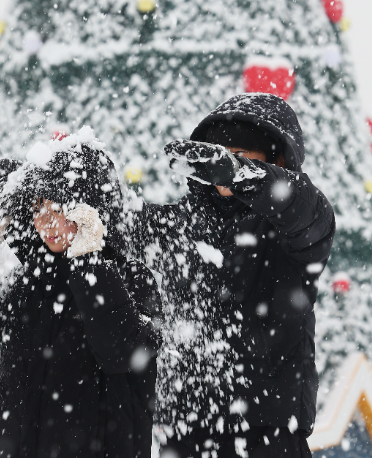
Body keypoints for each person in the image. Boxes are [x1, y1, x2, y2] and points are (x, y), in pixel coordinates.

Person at [127, 94, 335, 457]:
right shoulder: (173, 226)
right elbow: (111, 222)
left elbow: (306, 208)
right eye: (218, 152)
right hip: (185, 434)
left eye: (241, 152)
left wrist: (242, 176)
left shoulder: (291, 232)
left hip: (269, 436)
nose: (224, 161)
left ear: (278, 159)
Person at [0, 140, 161, 458]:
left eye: (58, 209)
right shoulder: (29, 290)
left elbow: (122, 352)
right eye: (38, 208)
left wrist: (89, 262)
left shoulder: (130, 280)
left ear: (90, 210)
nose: (45, 222)